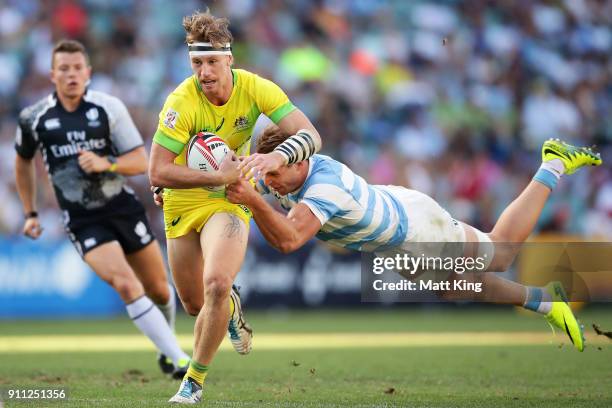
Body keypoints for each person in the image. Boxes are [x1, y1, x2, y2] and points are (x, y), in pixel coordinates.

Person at [223, 124, 603, 353]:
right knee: (453, 289)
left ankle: (552, 162)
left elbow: (289, 241)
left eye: (274, 176)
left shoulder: (324, 186)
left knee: (500, 251)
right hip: (392, 235)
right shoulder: (288, 173)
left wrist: (253, 199)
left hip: (416, 227)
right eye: (266, 178)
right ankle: (545, 301)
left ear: (299, 162)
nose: (270, 185)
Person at [147, 11, 321, 404]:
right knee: (196, 305)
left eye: (212, 62)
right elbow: (157, 168)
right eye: (196, 63)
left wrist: (277, 158)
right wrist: (214, 177)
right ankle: (230, 305)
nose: (204, 72)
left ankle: (193, 383)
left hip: (230, 197)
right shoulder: (181, 101)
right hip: (187, 198)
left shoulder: (257, 88)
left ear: (229, 59)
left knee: (216, 284)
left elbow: (312, 134)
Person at [14, 40, 190, 378]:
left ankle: (166, 349)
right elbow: (22, 163)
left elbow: (141, 161)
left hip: (122, 208)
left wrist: (106, 162)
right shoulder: (33, 119)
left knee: (159, 289)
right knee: (126, 285)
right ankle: (180, 359)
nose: (71, 75)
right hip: (82, 219)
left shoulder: (108, 108)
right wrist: (30, 212)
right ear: (52, 75)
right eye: (63, 69)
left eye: (77, 68)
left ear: (88, 73)